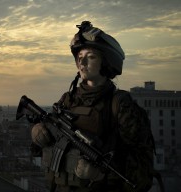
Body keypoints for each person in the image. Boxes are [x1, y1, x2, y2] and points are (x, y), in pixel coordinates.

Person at [31, 21, 155, 192]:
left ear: (106, 62)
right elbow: (44, 148)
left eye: (91, 57)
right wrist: (38, 133)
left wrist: (100, 174)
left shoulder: (120, 106)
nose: (82, 63)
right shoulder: (68, 100)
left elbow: (144, 170)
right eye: (80, 58)